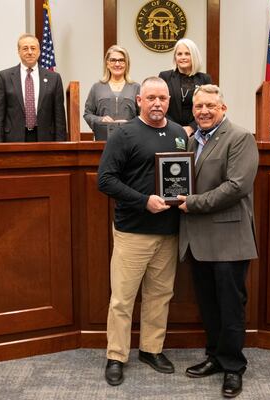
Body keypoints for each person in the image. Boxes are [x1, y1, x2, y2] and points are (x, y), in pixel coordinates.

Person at [97, 76, 188, 386]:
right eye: (151, 98)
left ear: (169, 101)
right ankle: (116, 355)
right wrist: (142, 201)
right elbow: (105, 180)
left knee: (160, 295)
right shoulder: (123, 134)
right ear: (139, 100)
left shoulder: (178, 133)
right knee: (122, 299)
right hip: (133, 231)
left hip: (168, 230)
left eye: (162, 98)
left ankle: (151, 349)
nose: (157, 103)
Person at [177, 84, 258, 398]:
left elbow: (236, 186)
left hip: (228, 237)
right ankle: (215, 356)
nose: (204, 111)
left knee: (230, 305)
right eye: (198, 107)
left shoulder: (239, 137)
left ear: (223, 108)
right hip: (198, 238)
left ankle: (234, 367)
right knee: (209, 304)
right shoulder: (190, 139)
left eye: (210, 105)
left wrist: (193, 203)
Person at [0, 33, 66, 142]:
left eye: (33, 48)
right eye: (25, 48)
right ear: (18, 51)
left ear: (39, 51)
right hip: (13, 140)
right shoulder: (4, 77)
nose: (30, 52)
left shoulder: (54, 78)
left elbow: (59, 118)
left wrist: (61, 146)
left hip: (46, 139)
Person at [83, 45, 140, 138]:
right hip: (103, 140)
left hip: (130, 138)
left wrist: (130, 123)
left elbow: (143, 116)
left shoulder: (136, 87)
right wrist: (100, 120)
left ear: (126, 64)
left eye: (121, 60)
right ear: (107, 64)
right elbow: (87, 114)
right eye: (113, 60)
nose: (117, 64)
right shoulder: (97, 87)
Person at [159, 38, 212, 137]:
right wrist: (176, 129)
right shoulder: (165, 77)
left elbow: (209, 107)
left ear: (194, 56)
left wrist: (192, 127)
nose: (183, 57)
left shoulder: (205, 79)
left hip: (198, 131)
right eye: (179, 54)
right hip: (169, 130)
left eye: (187, 54)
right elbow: (160, 105)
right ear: (175, 57)